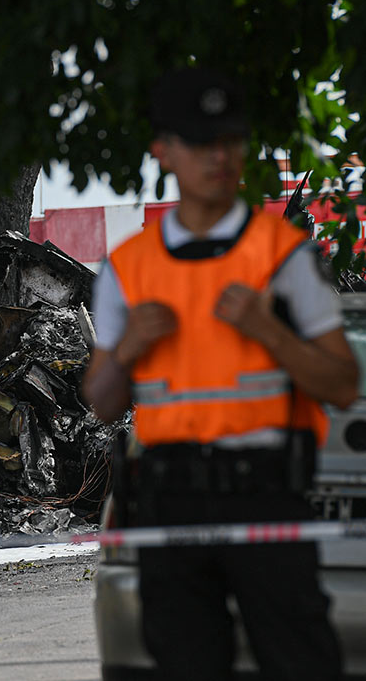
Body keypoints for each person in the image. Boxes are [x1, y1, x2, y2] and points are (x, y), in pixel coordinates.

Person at [82, 67, 358, 681]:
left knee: (302, 664)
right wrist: (126, 350)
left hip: (265, 497)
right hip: (170, 506)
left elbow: (341, 383)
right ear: (165, 150)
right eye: (200, 140)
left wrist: (271, 331)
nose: (219, 156)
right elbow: (101, 402)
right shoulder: (131, 269)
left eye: (230, 140)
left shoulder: (284, 259)